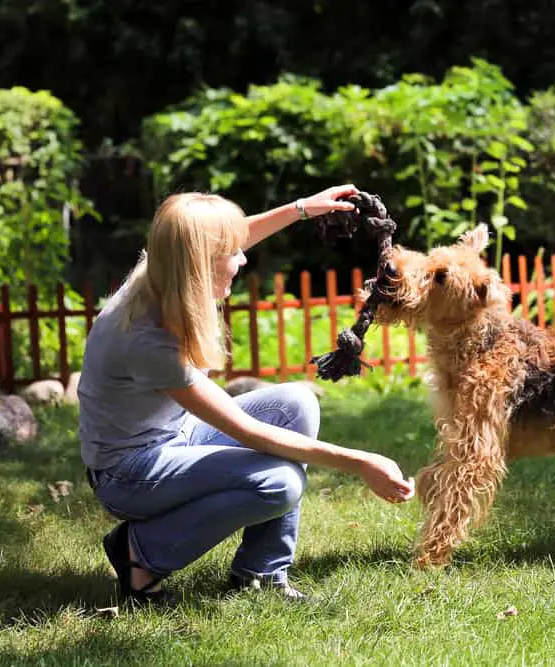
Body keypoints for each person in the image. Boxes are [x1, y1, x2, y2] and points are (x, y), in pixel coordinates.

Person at [78, 185, 415, 604]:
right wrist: (363, 462)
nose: (242, 259)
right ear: (200, 262)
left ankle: (261, 573)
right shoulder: (148, 339)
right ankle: (140, 553)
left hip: (175, 437)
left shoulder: (162, 270)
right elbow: (251, 434)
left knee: (296, 404)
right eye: (232, 254)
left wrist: (301, 210)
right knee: (278, 482)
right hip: (128, 472)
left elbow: (229, 237)